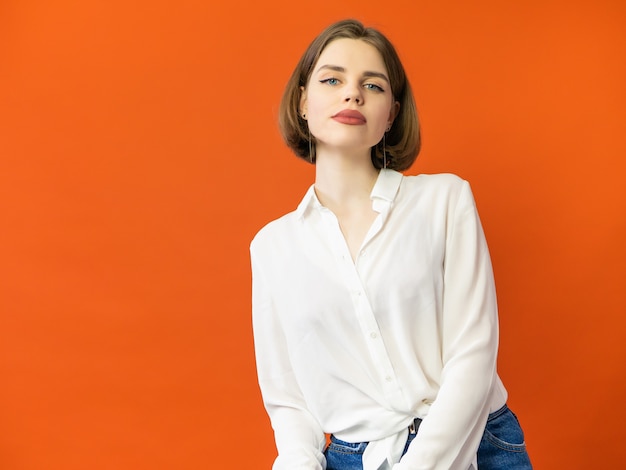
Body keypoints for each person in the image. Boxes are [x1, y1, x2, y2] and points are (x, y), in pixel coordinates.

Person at [251, 19, 532, 470]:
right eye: (332, 79)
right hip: (350, 457)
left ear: (392, 113)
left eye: (373, 85)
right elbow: (288, 399)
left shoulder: (445, 200)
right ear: (303, 102)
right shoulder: (272, 247)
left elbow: (473, 354)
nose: (352, 94)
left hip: (470, 445)